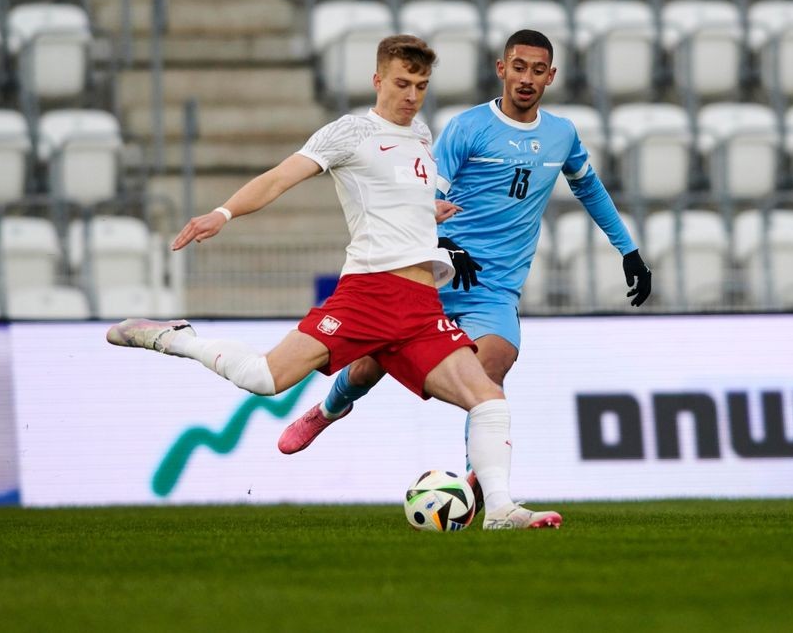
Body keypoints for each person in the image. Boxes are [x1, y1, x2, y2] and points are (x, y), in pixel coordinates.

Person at [105, 34, 560, 530]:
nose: (411, 96)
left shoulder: (423, 135)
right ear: (378, 80)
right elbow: (278, 178)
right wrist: (223, 212)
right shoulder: (349, 133)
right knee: (265, 379)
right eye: (402, 84)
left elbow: (399, 195)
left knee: (489, 399)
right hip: (366, 296)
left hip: (421, 306)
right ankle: (177, 338)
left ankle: (499, 511)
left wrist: (429, 209)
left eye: (421, 86)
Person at [278, 29, 652, 479]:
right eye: (518, 67)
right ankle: (329, 410)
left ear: (550, 76)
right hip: (430, 278)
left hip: (493, 291)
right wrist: (447, 244)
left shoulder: (561, 135)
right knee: (366, 368)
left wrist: (628, 250)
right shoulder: (467, 128)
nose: (526, 78)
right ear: (501, 69)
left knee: (489, 373)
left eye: (537, 70)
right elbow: (420, 199)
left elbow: (588, 187)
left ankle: (477, 484)